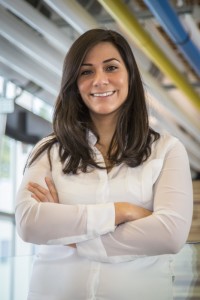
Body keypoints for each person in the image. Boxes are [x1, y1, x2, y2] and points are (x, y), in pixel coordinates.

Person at [15, 28, 193, 300]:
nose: (100, 80)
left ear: (130, 75)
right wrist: (122, 211)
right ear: (74, 83)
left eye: (111, 67)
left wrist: (71, 234)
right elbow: (29, 223)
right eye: (86, 72)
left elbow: (170, 235)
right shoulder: (49, 150)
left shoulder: (167, 150)